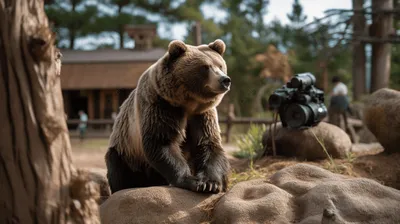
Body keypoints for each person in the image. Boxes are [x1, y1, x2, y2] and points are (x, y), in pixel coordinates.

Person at [328, 76, 357, 142]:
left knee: (334, 119)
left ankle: (335, 131)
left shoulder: (337, 87)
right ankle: (352, 137)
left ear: (335, 82)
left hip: (338, 105)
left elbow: (333, 95)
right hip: (345, 105)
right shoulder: (343, 86)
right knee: (345, 120)